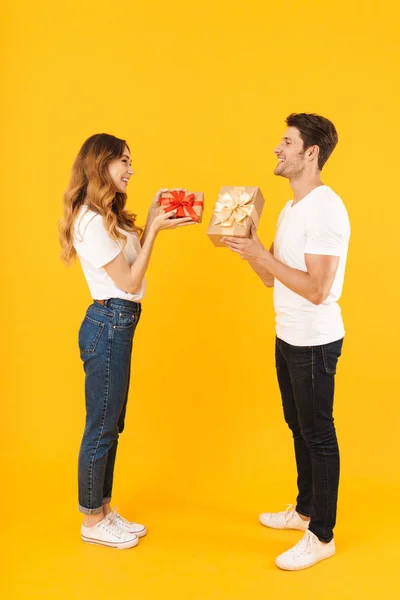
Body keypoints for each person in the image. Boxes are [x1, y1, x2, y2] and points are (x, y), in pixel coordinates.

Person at [223, 113, 351, 570]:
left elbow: (317, 289)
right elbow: (270, 278)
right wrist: (248, 247)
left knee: (318, 434)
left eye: (287, 141)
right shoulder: (290, 208)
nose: (278, 149)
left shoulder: (326, 207)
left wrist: (262, 254)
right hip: (287, 335)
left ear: (310, 152)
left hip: (315, 342)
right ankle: (305, 511)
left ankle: (322, 535)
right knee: (297, 426)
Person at [59, 133, 194, 549]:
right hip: (108, 324)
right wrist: (154, 230)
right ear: (100, 164)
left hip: (120, 324)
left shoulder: (107, 217)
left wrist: (151, 216)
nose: (131, 169)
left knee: (111, 423)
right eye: (123, 161)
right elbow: (130, 281)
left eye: (131, 162)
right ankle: (91, 521)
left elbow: (131, 269)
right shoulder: (88, 220)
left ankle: (104, 510)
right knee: (101, 424)